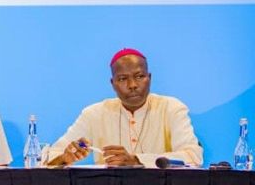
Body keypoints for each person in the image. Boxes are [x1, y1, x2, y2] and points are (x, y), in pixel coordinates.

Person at [45, 48, 203, 167]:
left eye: (139, 76)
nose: (132, 85)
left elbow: (193, 156)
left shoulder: (171, 108)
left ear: (149, 78)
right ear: (112, 83)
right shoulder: (94, 114)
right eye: (122, 79)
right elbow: (49, 157)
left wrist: (137, 160)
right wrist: (65, 158)